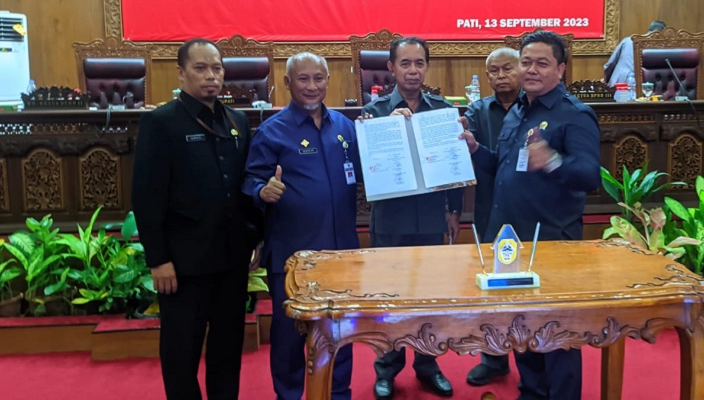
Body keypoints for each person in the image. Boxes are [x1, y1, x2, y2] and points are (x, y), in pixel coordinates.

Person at [461, 30, 601, 400]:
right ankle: (533, 393)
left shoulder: (574, 115)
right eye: (527, 62)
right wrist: (476, 149)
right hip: (510, 241)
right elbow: (503, 168)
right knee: (521, 328)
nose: (532, 70)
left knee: (557, 335)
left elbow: (590, 176)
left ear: (560, 68)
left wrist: (552, 160)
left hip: (553, 241)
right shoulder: (518, 111)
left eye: (542, 63)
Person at [132, 38, 261, 400]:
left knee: (226, 354)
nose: (211, 76)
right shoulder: (161, 122)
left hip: (230, 263)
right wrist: (158, 260)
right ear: (181, 72)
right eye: (200, 68)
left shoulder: (236, 121)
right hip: (183, 267)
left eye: (216, 68)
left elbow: (246, 186)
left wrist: (256, 236)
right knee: (180, 358)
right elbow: (146, 197)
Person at [242, 52, 360, 400]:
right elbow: (249, 180)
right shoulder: (271, 131)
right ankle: (289, 395)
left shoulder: (344, 126)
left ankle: (338, 393)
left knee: (342, 330)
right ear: (288, 83)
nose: (312, 87)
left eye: (319, 78)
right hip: (293, 255)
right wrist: (262, 190)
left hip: (342, 253)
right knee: (289, 335)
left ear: (327, 80)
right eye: (304, 79)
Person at [362, 36, 463, 400]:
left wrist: (454, 211)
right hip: (390, 221)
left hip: (431, 221)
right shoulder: (373, 112)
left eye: (419, 63)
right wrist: (385, 129)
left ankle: (428, 365)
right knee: (390, 299)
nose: (413, 70)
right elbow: (363, 170)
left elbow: (453, 167)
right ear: (391, 68)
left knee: (428, 297)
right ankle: (387, 369)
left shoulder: (441, 110)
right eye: (405, 63)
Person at [464, 47, 521, 242]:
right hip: (489, 201)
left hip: (527, 203)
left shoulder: (534, 108)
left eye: (507, 69)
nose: (501, 76)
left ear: (521, 69)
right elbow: (467, 142)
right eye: (495, 71)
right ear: (488, 76)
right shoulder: (476, 110)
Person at [603, 20, 666, 85]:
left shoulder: (628, 40)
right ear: (659, 33)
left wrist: (606, 81)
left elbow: (610, 64)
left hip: (617, 81)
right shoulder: (657, 48)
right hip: (637, 86)